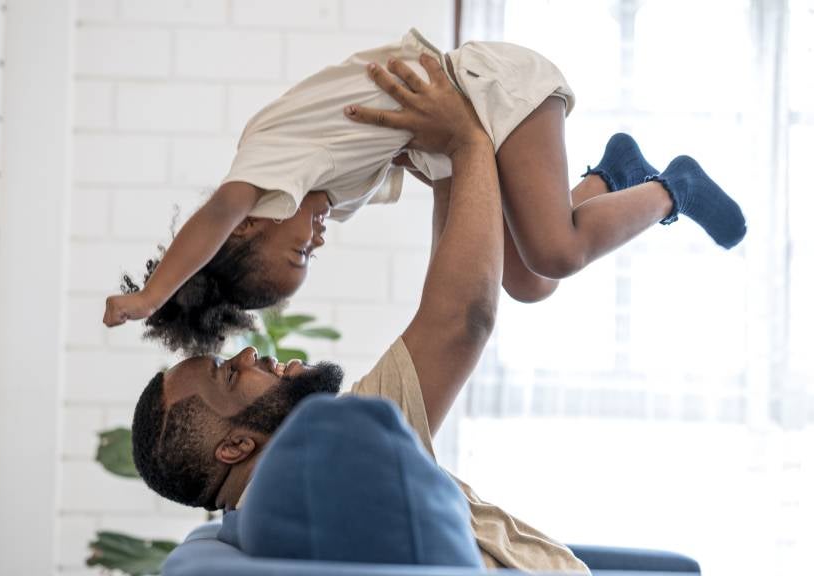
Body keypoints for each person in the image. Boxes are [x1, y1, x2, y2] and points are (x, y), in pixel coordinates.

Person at [130, 58, 589, 571]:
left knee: (538, 268)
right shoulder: (333, 457)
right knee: (544, 262)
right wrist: (466, 143)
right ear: (236, 445)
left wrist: (450, 167)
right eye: (231, 375)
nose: (250, 354)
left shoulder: (303, 478)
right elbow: (461, 318)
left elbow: (452, 304)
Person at [103, 29, 746, 356]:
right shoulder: (319, 187)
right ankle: (611, 175)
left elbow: (216, 211)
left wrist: (153, 296)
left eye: (298, 253)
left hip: (485, 90)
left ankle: (674, 189)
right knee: (527, 282)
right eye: (311, 258)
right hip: (461, 133)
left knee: (555, 253)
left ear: (247, 225)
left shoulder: (267, 166)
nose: (316, 241)